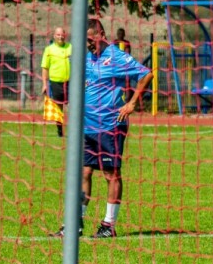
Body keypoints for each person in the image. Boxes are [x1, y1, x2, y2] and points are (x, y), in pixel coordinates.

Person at [55, 18, 153, 239]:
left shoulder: (117, 57)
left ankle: (108, 225)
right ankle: (75, 224)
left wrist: (132, 103)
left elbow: (146, 74)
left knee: (111, 174)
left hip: (110, 125)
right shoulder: (87, 58)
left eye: (90, 40)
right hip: (87, 126)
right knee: (84, 172)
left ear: (101, 35)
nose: (88, 44)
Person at [39, 26, 71, 137]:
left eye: (62, 35)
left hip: (70, 83)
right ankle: (60, 131)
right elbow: (45, 67)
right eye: (58, 35)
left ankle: (75, 131)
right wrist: (44, 84)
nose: (60, 37)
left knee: (75, 107)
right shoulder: (49, 50)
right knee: (58, 108)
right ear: (54, 36)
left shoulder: (71, 47)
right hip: (55, 83)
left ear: (65, 35)